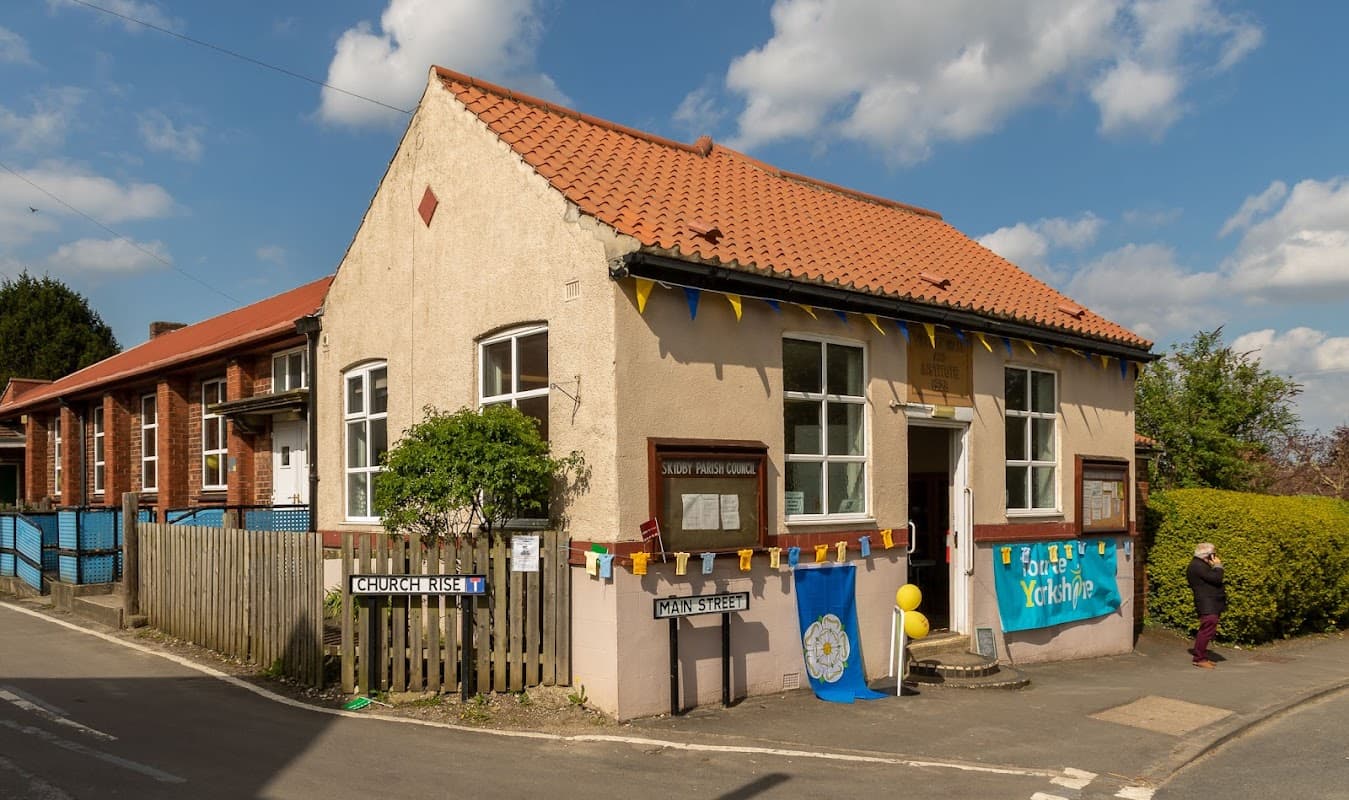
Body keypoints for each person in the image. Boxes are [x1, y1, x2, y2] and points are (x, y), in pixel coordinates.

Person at [1186, 543, 1226, 669]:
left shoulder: (1199, 565)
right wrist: (1218, 566)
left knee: (1207, 629)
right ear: (1207, 555)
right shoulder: (1198, 566)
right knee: (1206, 630)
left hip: (1208, 602)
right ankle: (1199, 658)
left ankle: (1200, 656)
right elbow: (1216, 578)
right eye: (1213, 554)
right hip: (1207, 603)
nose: (1214, 557)